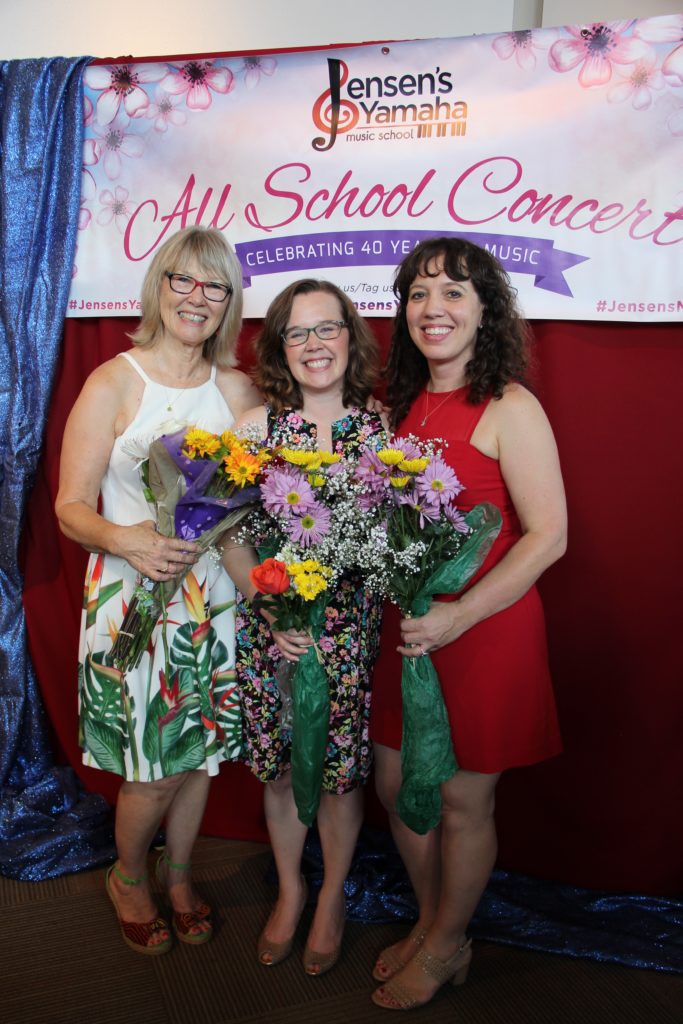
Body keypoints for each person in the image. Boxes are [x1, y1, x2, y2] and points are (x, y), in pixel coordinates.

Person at [369, 237, 566, 1010]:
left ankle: (450, 942)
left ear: (486, 309)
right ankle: (430, 921)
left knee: (459, 801)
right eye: (418, 294)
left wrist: (460, 615)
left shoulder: (511, 406)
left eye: (453, 292)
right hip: (408, 631)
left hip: (485, 629)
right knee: (396, 786)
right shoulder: (396, 404)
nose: (433, 308)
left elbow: (549, 536)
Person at [55, 226, 260, 954]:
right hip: (130, 601)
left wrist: (264, 592)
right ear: (158, 286)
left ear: (229, 301)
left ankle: (179, 875)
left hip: (211, 604)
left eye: (214, 286)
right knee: (150, 767)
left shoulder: (235, 389)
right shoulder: (113, 381)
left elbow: (240, 515)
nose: (196, 298)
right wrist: (129, 539)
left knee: (198, 753)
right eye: (182, 280)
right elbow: (71, 505)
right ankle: (130, 876)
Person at [222, 279, 388, 975]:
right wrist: (264, 606)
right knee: (285, 770)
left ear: (350, 337)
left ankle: (331, 898)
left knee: (340, 773)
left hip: (349, 636)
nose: (314, 345)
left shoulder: (383, 430)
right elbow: (229, 536)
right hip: (274, 632)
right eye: (297, 332)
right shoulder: (255, 430)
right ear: (278, 347)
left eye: (327, 329)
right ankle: (291, 890)